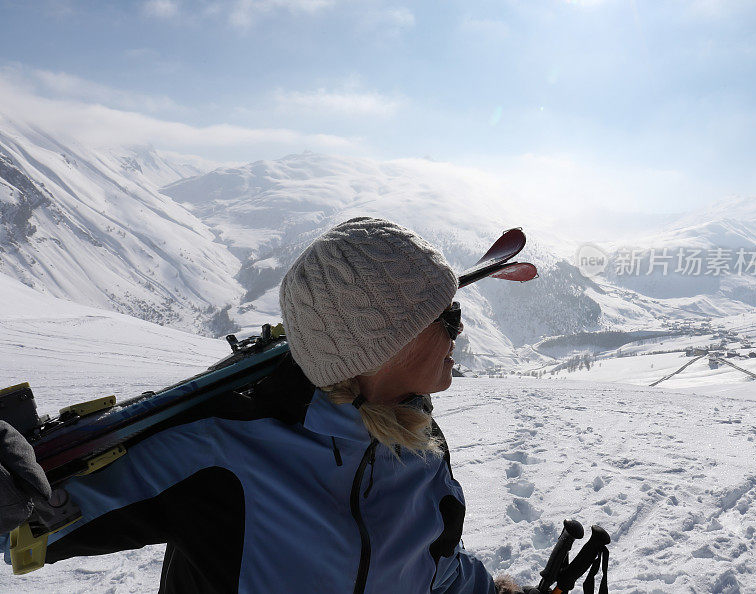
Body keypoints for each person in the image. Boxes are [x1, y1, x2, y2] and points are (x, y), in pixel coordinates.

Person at [1, 217, 527, 593]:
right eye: (447, 317)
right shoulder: (216, 455)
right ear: (380, 347)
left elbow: (435, 570)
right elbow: (29, 523)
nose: (461, 330)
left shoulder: (422, 446)